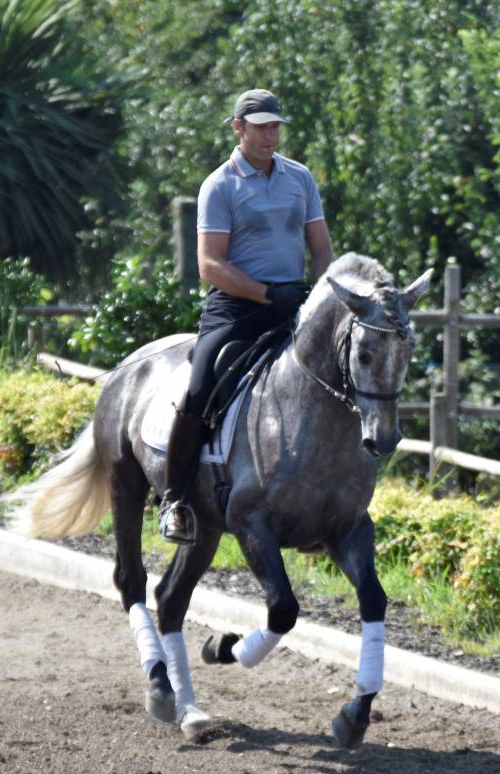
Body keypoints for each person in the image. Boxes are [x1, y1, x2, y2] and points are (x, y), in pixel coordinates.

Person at [158, 88, 334, 544]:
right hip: (236, 311)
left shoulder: (301, 178)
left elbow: (320, 247)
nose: (270, 135)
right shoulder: (219, 185)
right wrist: (264, 293)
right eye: (260, 127)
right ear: (238, 128)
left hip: (293, 306)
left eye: (275, 126)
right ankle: (175, 500)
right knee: (201, 386)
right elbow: (209, 266)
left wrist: (318, 300)